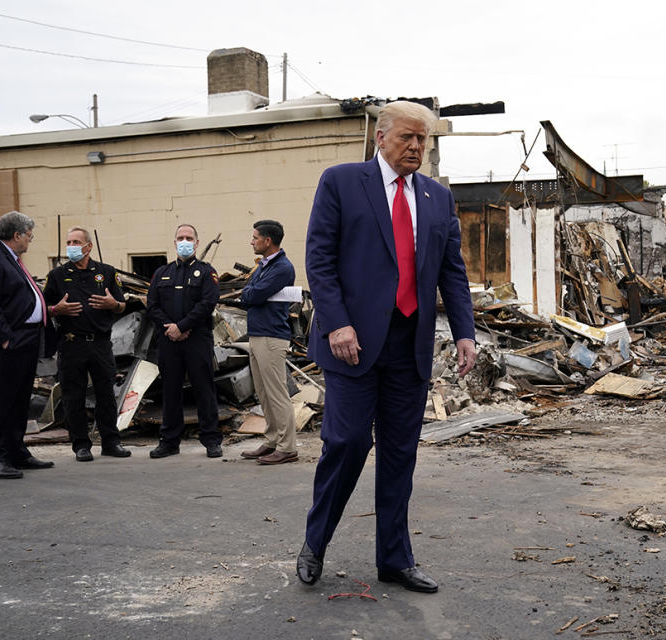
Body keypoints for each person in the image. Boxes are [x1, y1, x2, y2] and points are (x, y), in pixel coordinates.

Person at [297, 101, 477, 594]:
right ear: (381, 137)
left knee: (400, 455)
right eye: (408, 137)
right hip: (351, 343)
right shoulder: (341, 182)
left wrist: (465, 332)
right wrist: (336, 324)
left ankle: (394, 559)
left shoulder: (437, 198)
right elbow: (320, 258)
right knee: (348, 443)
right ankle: (315, 544)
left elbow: (451, 272)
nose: (417, 146)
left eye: (425, 140)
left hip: (410, 344)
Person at [0, 211, 56, 479]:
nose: (30, 240)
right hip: (11, 340)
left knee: (20, 400)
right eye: (29, 235)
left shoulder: (11, 258)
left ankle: (17, 451)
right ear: (16, 235)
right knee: (2, 400)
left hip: (27, 338)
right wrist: (4, 338)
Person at [43, 227, 132, 462]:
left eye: (76, 242)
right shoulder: (57, 275)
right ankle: (81, 445)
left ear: (88, 246)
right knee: (74, 396)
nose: (71, 246)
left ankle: (111, 442)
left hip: (101, 344)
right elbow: (43, 308)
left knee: (106, 395)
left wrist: (113, 304)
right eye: (68, 242)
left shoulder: (106, 272)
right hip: (71, 344)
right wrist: (56, 310)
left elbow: (122, 305)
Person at [146, 224, 224, 458]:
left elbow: (208, 303)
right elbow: (152, 305)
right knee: (170, 391)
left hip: (197, 339)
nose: (184, 241)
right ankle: (169, 441)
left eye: (189, 237)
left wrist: (183, 326)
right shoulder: (162, 273)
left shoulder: (206, 272)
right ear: (174, 243)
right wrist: (171, 328)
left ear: (197, 243)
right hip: (168, 340)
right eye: (180, 237)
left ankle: (211, 439)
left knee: (204, 389)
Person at [236, 220, 299, 465]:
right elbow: (248, 294)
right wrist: (250, 293)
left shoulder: (282, 268)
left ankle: (287, 447)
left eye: (255, 237)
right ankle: (273, 440)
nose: (252, 241)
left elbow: (252, 295)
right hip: (258, 334)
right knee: (263, 393)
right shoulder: (265, 266)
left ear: (268, 241)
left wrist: (250, 293)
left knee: (276, 393)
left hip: (272, 337)